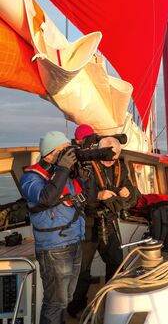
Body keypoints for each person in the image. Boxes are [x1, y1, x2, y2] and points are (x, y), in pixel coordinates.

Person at [20, 131, 96, 324]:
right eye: (64, 151)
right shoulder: (31, 178)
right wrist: (63, 168)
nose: (69, 155)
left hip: (75, 242)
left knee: (66, 299)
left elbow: (91, 200)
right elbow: (47, 198)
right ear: (50, 153)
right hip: (54, 248)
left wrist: (86, 176)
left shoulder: (64, 175)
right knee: (55, 302)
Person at [68, 136, 140, 317]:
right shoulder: (86, 167)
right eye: (107, 157)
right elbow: (75, 196)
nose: (110, 162)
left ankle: (112, 304)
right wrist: (98, 196)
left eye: (114, 158)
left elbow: (133, 195)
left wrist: (127, 192)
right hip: (87, 223)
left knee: (116, 263)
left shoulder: (120, 167)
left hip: (108, 220)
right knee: (82, 269)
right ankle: (76, 308)